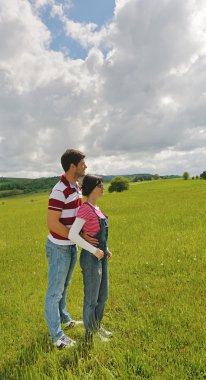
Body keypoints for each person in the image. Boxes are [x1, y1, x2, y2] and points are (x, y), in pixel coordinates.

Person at [45, 149, 97, 349]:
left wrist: (80, 235)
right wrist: (76, 236)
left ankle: (65, 319)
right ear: (72, 166)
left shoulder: (75, 186)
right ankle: (57, 337)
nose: (86, 166)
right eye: (83, 163)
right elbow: (52, 223)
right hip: (59, 248)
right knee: (54, 293)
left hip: (70, 246)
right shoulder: (60, 190)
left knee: (64, 287)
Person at [69, 174, 113, 347]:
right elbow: (72, 234)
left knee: (103, 296)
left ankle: (97, 327)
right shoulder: (85, 209)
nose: (103, 187)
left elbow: (99, 235)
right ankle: (90, 334)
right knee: (92, 299)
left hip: (100, 256)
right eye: (100, 185)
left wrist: (105, 249)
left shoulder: (97, 208)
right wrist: (94, 250)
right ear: (92, 188)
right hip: (90, 259)